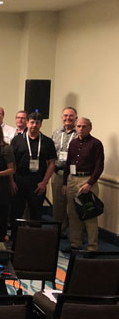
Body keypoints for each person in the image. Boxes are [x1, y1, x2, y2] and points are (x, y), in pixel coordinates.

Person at [62, 117, 104, 252]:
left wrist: (90, 183)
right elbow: (68, 164)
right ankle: (75, 243)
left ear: (90, 128)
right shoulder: (73, 143)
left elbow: (99, 166)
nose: (81, 129)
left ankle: (92, 247)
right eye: (78, 126)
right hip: (72, 180)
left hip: (87, 180)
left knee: (89, 214)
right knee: (72, 213)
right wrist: (64, 183)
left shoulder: (96, 143)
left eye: (84, 126)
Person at [10, 112, 56, 222]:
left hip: (38, 182)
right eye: (32, 122)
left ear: (41, 124)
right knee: (16, 212)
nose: (34, 125)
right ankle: (15, 237)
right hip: (19, 180)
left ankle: (34, 237)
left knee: (36, 213)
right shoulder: (17, 140)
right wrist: (11, 181)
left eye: (37, 123)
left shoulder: (47, 142)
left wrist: (44, 183)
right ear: (27, 123)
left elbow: (51, 163)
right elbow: (11, 163)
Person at [51, 107, 77, 237]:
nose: (68, 118)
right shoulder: (56, 133)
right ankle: (59, 231)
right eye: (65, 116)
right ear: (62, 117)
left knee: (73, 206)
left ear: (75, 118)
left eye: (71, 116)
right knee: (58, 205)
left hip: (73, 175)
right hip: (58, 173)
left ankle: (74, 234)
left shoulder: (79, 133)